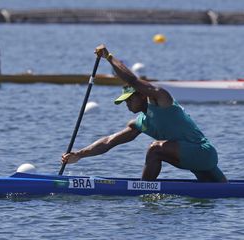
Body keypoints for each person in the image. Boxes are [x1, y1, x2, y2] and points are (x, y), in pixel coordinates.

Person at [62, 44, 227, 182]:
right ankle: (145, 188)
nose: (127, 104)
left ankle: (143, 190)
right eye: (124, 101)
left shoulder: (162, 100)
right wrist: (78, 155)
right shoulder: (141, 123)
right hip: (194, 160)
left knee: (154, 149)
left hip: (203, 152)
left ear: (142, 95)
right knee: (223, 190)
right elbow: (108, 142)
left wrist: (108, 57)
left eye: (129, 99)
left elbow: (132, 80)